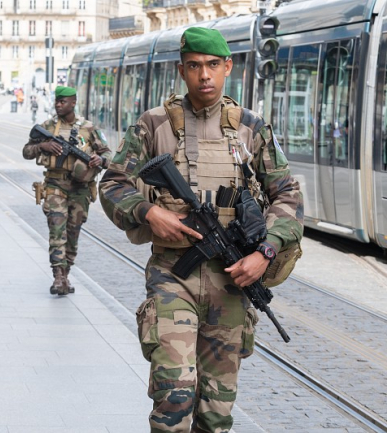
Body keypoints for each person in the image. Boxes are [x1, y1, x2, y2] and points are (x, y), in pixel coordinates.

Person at [99, 27, 304, 432]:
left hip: (232, 284)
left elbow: (288, 195)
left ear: (228, 67)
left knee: (215, 412)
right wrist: (147, 212)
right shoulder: (154, 125)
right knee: (174, 396)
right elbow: (112, 182)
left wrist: (264, 254)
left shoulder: (251, 129)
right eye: (194, 67)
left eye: (213, 65)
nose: (204, 75)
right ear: (181, 70)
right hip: (174, 276)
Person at [23, 86, 112, 295]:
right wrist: (42, 147)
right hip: (55, 186)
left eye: (63, 102)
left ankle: (66, 272)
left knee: (73, 234)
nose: (58, 105)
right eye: (57, 101)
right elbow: (26, 151)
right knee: (56, 231)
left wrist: (101, 159)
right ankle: (58, 277)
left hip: (80, 190)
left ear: (73, 103)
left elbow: (109, 155)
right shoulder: (48, 127)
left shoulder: (89, 129)